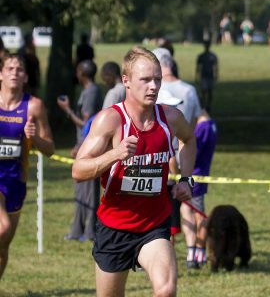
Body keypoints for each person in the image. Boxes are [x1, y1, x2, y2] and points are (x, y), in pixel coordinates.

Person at [71, 46, 196, 296]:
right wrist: (114, 154)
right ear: (126, 81)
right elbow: (78, 170)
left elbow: (189, 140)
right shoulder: (110, 120)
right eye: (146, 80)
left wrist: (186, 179)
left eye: (157, 80)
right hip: (114, 227)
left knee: (166, 290)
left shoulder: (170, 118)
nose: (153, 86)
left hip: (154, 226)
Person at [0, 53, 55, 279]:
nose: (15, 73)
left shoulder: (33, 106)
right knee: (1, 228)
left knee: (3, 247)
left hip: (16, 182)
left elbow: (50, 148)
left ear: (25, 76)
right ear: (0, 74)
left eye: (19, 69)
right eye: (10, 68)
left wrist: (34, 138)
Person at [152, 48, 202, 267]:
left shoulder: (153, 90)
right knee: (189, 205)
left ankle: (167, 257)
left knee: (167, 212)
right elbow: (194, 125)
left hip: (164, 160)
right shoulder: (189, 90)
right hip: (184, 158)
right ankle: (193, 253)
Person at [57, 60, 103, 241]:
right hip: (84, 146)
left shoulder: (92, 92)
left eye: (77, 71)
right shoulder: (88, 91)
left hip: (89, 148)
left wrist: (67, 110)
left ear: (82, 73)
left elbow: (87, 124)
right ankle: (78, 230)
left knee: (90, 192)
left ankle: (90, 231)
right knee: (81, 191)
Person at [182, 109, 217, 269]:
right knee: (194, 212)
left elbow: (193, 152)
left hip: (194, 176)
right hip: (201, 175)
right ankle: (197, 251)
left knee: (197, 214)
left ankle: (198, 252)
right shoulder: (211, 125)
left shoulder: (203, 127)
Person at [195, 40, 218, 112]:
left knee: (210, 92)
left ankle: (208, 106)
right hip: (204, 76)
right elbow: (198, 67)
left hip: (210, 76)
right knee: (203, 92)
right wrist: (197, 76)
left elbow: (216, 67)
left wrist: (216, 75)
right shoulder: (201, 56)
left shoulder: (213, 56)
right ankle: (203, 106)